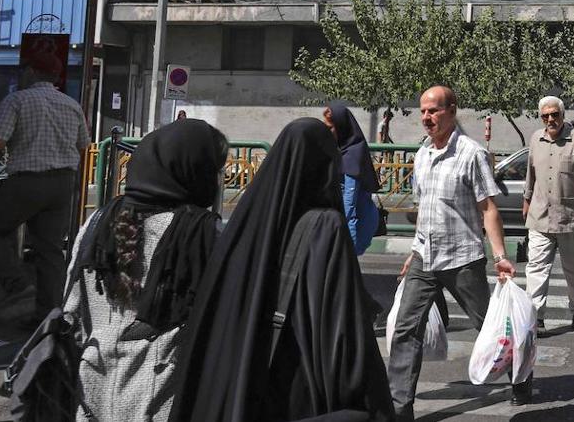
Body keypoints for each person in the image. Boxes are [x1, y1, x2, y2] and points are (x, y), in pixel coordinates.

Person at [169, 118, 394, 422]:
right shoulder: (326, 228)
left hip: (244, 390)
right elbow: (344, 337)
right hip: (298, 391)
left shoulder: (246, 228)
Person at [64, 119, 228, 422]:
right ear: (196, 171)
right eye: (217, 170)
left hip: (92, 385)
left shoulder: (98, 223)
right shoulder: (204, 234)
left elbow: (71, 308)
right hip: (162, 393)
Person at [388, 86, 526, 418]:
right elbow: (425, 208)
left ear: (451, 111)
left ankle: (521, 376)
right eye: (423, 111)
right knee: (406, 329)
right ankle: (399, 408)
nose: (426, 117)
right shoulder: (422, 154)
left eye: (433, 110)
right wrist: (413, 252)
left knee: (489, 326)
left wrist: (499, 256)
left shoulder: (471, 153)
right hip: (425, 257)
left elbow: (488, 208)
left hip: (462, 258)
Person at [0, 52, 89, 317]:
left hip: (27, 181)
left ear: (31, 72)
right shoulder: (71, 104)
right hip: (63, 183)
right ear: (56, 76)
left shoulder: (17, 99)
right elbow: (84, 145)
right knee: (50, 249)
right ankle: (49, 317)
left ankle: (18, 285)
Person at [523, 96, 574, 333]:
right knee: (536, 269)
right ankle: (536, 318)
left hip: (572, 218)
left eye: (554, 115)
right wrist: (526, 199)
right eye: (545, 116)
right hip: (540, 215)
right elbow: (530, 173)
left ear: (562, 115)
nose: (550, 119)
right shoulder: (535, 139)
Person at [324, 104, 383, 256]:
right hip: (348, 219)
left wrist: (337, 229)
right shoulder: (339, 149)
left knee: (345, 263)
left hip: (355, 222)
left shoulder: (353, 153)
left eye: (330, 128)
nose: (326, 132)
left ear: (341, 127)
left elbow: (349, 202)